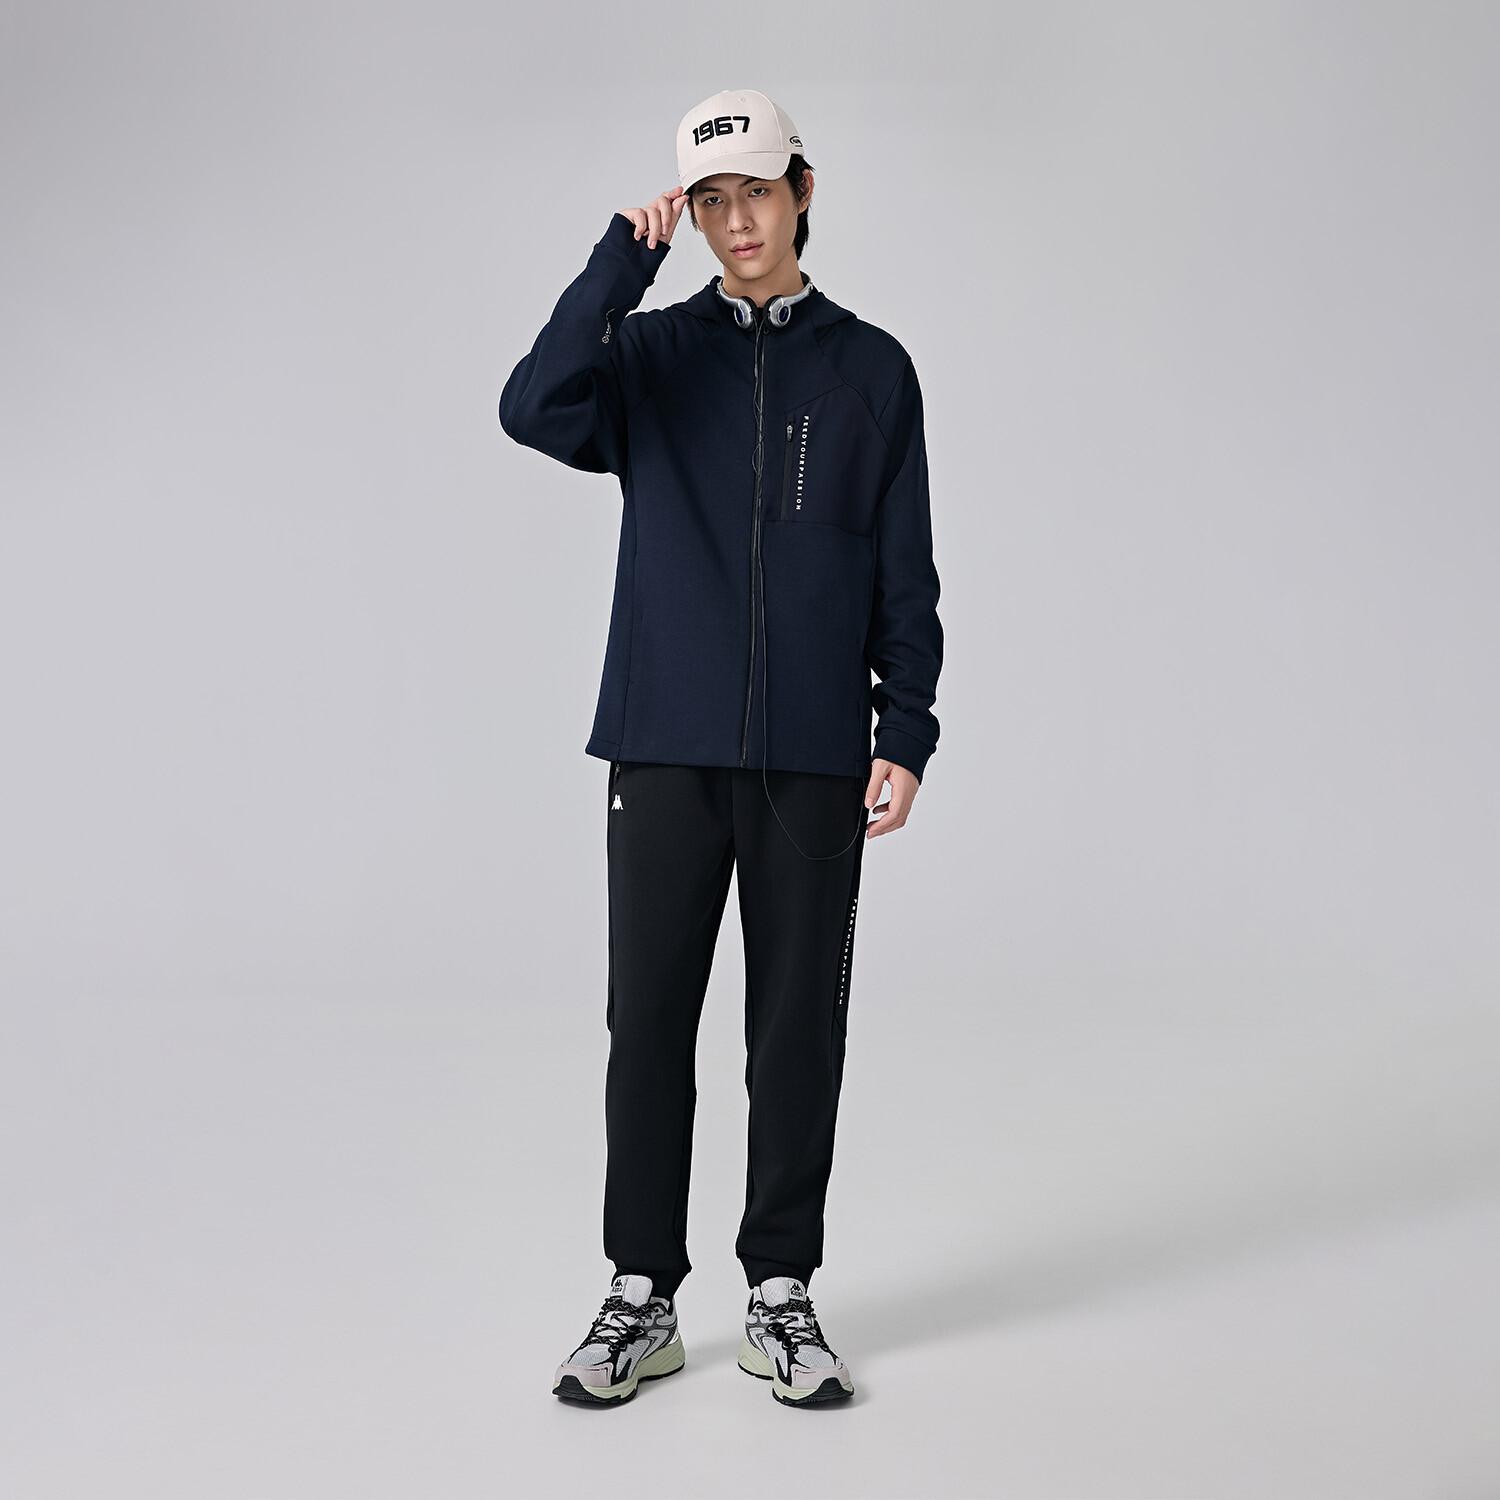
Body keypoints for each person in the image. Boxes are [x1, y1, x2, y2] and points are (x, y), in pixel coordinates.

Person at [498, 88, 944, 1408]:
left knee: (796, 1031)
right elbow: (531, 405)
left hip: (814, 755)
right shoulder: (647, 356)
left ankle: (781, 1292)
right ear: (687, 216)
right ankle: (640, 1293)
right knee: (648, 1025)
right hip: (663, 746)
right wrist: (615, 265)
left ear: (802, 189)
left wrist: (905, 728)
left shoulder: (872, 372)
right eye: (708, 202)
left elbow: (906, 570)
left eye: (755, 190)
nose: (736, 220)